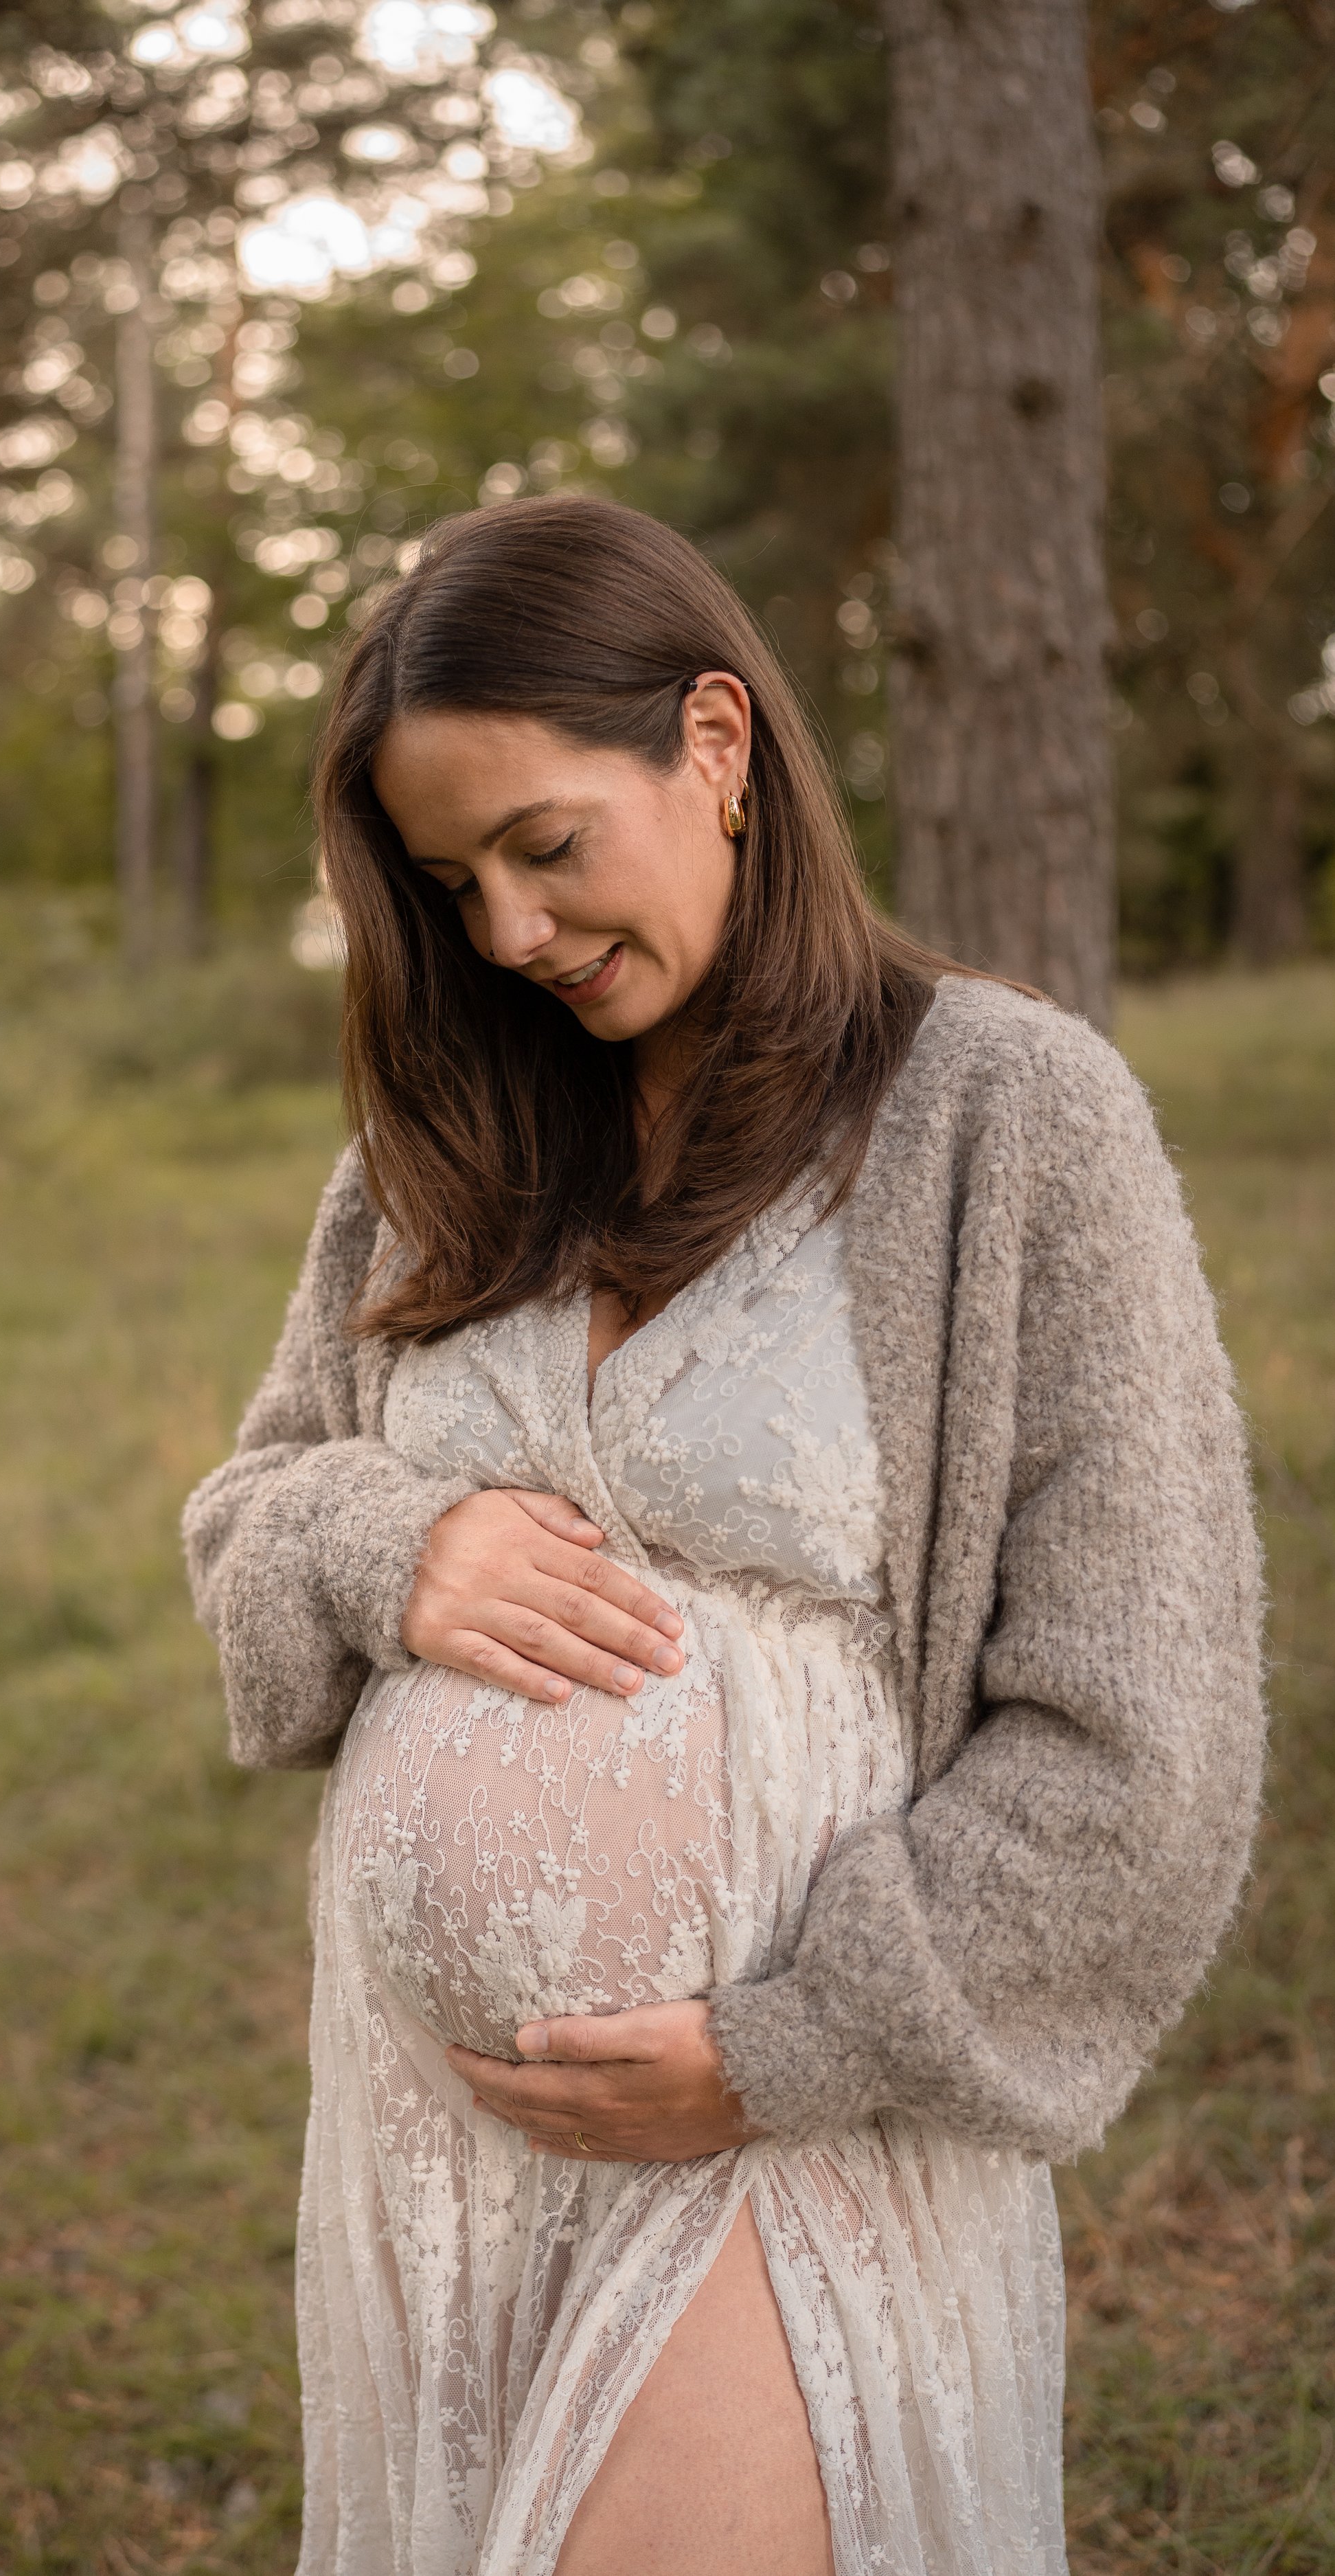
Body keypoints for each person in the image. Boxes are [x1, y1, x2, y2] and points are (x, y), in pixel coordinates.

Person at [182, 496, 1264, 2576]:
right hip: (443, 2152)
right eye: (447, 880)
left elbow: (1145, 1739)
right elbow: (252, 1512)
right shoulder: (447, 1150)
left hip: (792, 2126)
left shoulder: (1004, 1120)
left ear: (714, 742)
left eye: (543, 845)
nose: (502, 933)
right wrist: (379, 1545)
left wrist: (783, 2048)